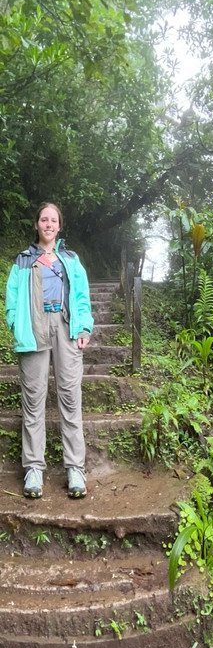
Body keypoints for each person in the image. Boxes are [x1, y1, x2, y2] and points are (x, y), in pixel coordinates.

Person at [5, 203, 93, 498]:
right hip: (34, 328)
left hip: (65, 326)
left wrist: (84, 328)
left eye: (53, 220)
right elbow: (12, 298)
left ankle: (75, 468)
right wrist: (17, 323)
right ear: (37, 224)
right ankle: (33, 468)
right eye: (44, 219)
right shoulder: (23, 260)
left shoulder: (70, 258)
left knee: (70, 397)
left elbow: (81, 295)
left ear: (59, 225)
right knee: (33, 400)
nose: (48, 224)